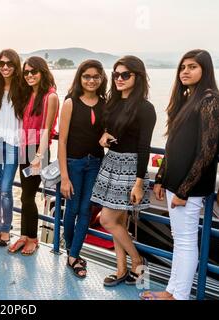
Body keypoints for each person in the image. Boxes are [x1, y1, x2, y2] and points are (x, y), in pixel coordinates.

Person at [141, 49, 219, 300]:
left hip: (190, 186)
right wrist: (161, 177)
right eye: (183, 67)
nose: (185, 71)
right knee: (180, 239)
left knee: (185, 242)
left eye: (192, 67)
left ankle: (179, 295)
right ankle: (171, 291)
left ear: (205, 70)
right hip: (176, 182)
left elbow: (208, 150)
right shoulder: (187, 99)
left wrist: (185, 190)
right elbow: (173, 144)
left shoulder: (209, 99)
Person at [91, 56, 156, 286]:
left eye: (125, 75)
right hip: (112, 163)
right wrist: (104, 136)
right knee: (118, 221)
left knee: (107, 220)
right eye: (116, 74)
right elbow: (110, 130)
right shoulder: (113, 102)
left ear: (137, 77)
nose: (119, 78)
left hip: (130, 169)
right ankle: (121, 270)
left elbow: (143, 147)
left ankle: (138, 261)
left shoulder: (146, 108)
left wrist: (139, 182)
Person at [58, 60, 107, 278]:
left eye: (96, 76)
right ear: (80, 78)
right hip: (74, 164)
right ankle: (72, 251)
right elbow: (62, 141)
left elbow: (108, 132)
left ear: (101, 78)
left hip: (95, 163)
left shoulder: (105, 103)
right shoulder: (70, 102)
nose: (91, 80)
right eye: (86, 76)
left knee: (86, 210)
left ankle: (73, 255)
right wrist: (65, 177)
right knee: (72, 208)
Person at [8, 56, 58, 256]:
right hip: (24, 148)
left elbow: (47, 129)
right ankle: (24, 235)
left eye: (33, 72)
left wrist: (39, 156)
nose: (29, 75)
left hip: (38, 150)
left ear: (42, 72)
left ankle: (33, 239)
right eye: (26, 72)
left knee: (29, 195)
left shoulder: (50, 96)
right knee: (25, 196)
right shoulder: (27, 94)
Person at [0, 49, 23, 247]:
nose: (5, 67)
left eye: (9, 63)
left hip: (13, 142)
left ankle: (6, 229)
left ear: (16, 66)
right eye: (2, 64)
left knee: (5, 188)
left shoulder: (23, 89)